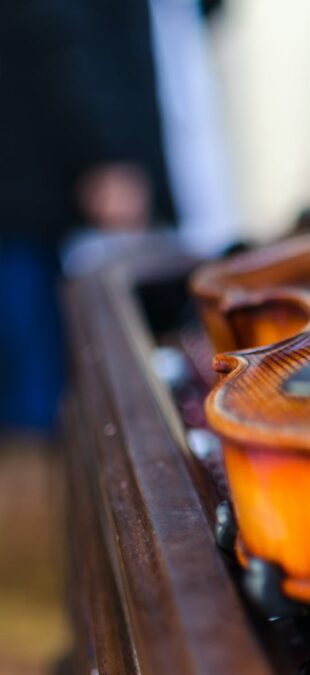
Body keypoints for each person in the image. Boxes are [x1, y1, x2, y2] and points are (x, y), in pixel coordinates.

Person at [0, 0, 173, 433]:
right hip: (36, 188)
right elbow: (61, 28)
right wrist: (108, 151)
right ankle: (38, 493)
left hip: (39, 181)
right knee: (39, 388)